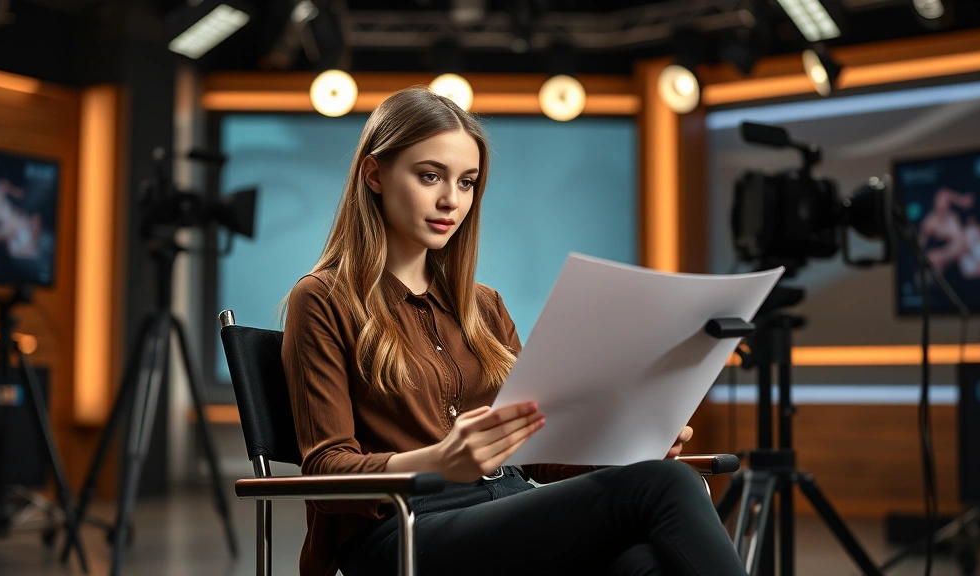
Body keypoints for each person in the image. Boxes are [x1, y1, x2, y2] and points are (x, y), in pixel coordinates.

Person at [281, 86, 747, 576]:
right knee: (668, 487)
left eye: (467, 183)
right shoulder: (323, 299)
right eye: (429, 176)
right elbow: (326, 469)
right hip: (405, 532)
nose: (450, 201)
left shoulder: (485, 306)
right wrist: (438, 461)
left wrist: (629, 446)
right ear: (374, 174)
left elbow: (535, 457)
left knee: (642, 559)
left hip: (504, 506)